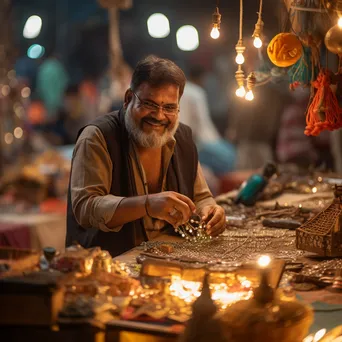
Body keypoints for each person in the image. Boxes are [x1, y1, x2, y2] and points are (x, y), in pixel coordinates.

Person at [66, 55, 226, 257]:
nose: (159, 116)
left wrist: (211, 211)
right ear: (128, 99)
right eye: (149, 104)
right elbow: (86, 208)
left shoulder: (182, 137)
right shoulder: (98, 137)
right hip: (106, 266)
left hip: (169, 261)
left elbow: (201, 197)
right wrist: (147, 204)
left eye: (169, 107)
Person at [179, 65, 236, 178]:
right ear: (202, 78)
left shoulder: (178, 90)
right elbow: (203, 126)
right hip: (198, 143)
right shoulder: (196, 92)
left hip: (184, 142)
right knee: (230, 155)